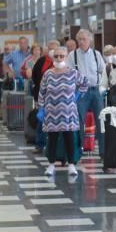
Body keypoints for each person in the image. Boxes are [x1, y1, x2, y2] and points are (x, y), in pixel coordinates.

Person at [39, 46, 89, 178]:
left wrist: (78, 95)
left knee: (69, 138)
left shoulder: (73, 72)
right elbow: (42, 92)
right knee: (52, 139)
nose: (59, 58)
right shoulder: (48, 74)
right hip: (51, 112)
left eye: (62, 56)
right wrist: (41, 108)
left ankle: (72, 165)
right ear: (52, 58)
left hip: (68, 112)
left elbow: (85, 82)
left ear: (66, 57)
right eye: (56, 56)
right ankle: (51, 165)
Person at [67, 29, 106, 157]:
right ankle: (78, 151)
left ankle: (103, 152)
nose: (82, 42)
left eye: (84, 39)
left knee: (101, 121)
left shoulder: (96, 54)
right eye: (79, 39)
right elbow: (69, 74)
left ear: (90, 40)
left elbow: (102, 70)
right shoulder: (72, 56)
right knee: (78, 121)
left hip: (95, 90)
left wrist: (102, 86)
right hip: (80, 91)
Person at [31, 40, 59, 154]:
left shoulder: (62, 60)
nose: (52, 50)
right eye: (50, 47)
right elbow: (34, 75)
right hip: (43, 95)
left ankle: (56, 146)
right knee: (42, 119)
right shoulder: (42, 61)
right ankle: (39, 144)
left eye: (54, 47)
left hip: (58, 96)